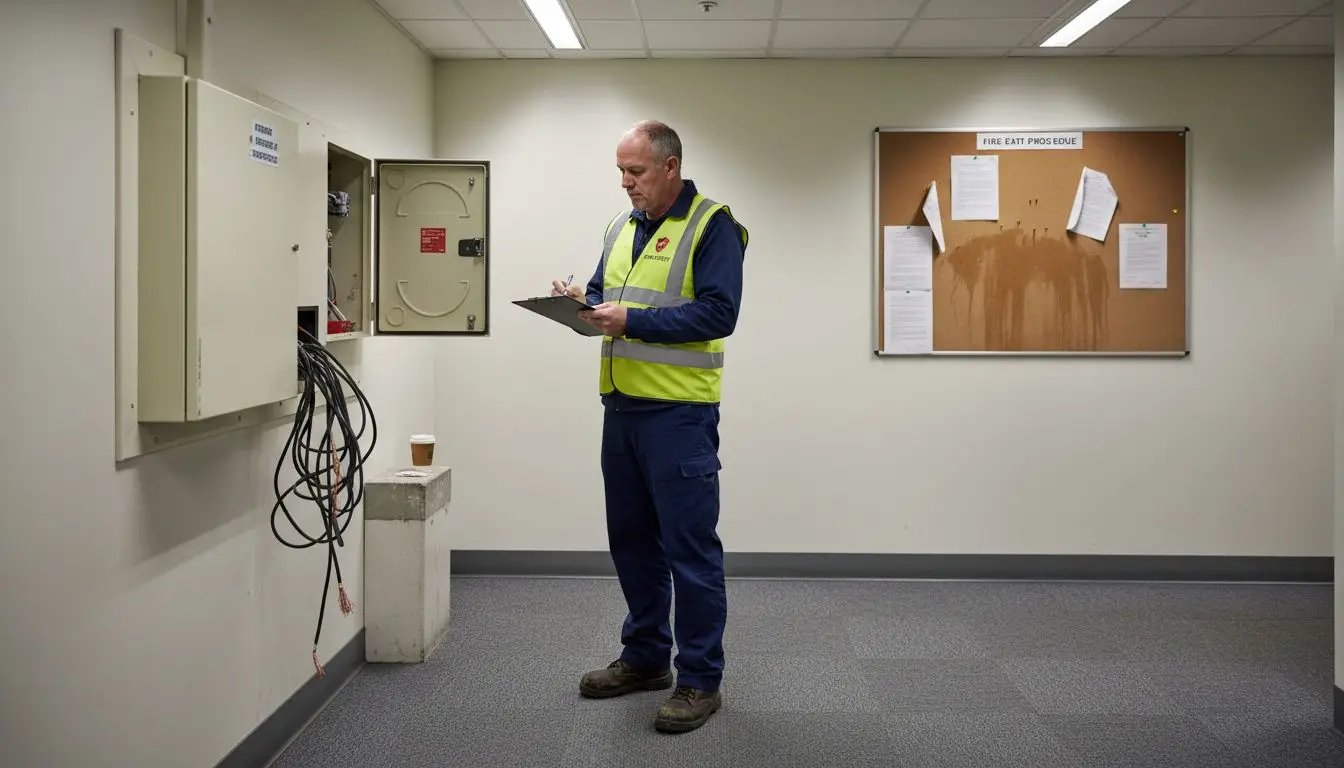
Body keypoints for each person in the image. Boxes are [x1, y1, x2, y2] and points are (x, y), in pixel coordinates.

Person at [550, 120, 748, 734]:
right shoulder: (620, 227)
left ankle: (699, 680)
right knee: (632, 543)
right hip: (623, 410)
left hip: (680, 416)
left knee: (689, 551)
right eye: (620, 171)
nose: (626, 182)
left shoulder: (713, 225)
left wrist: (627, 318)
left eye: (635, 171)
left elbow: (719, 311)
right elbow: (610, 296)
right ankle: (644, 660)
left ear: (671, 167)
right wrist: (579, 300)